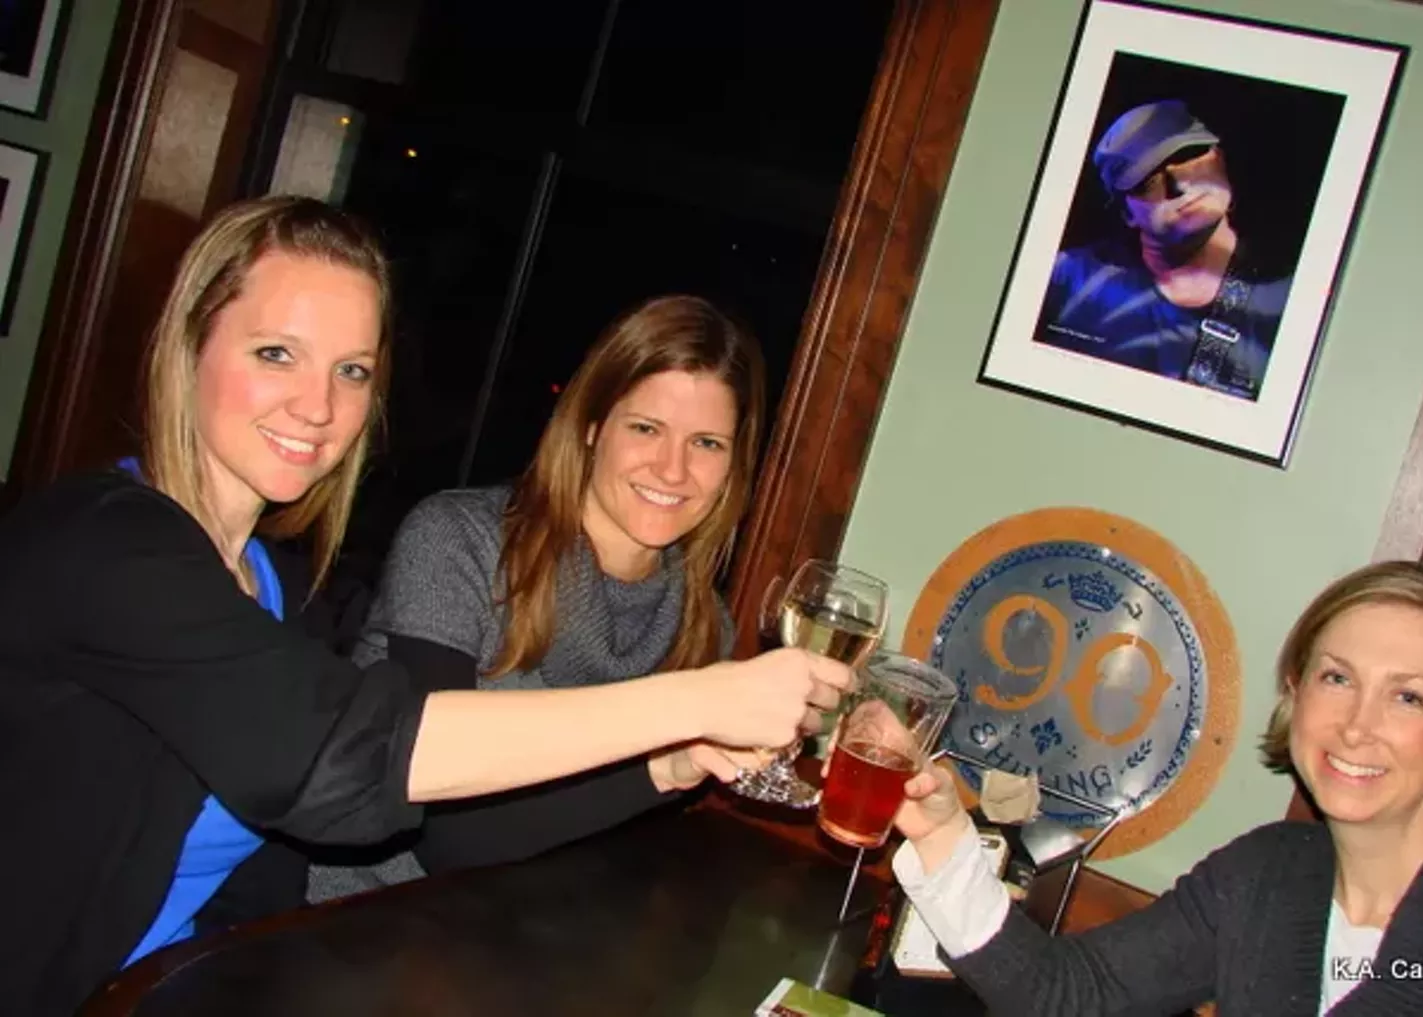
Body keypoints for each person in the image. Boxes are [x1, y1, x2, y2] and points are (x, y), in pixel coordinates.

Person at [0, 197, 850, 1017]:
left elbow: (273, 860)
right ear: (188, 347)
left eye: (352, 371)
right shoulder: (101, 545)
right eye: (276, 353)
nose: (318, 406)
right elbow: (342, 765)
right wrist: (692, 705)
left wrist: (690, 749)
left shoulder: (274, 584)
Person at [886, 561, 1423, 1015]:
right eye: (1337, 678)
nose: (1357, 726)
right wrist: (941, 832)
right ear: (1296, 694)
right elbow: (1069, 994)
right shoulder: (1267, 874)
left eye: (1408, 697)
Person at [307, 294, 774, 898]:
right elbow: (444, 834)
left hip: (540, 930)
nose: (673, 469)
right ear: (592, 427)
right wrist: (663, 767)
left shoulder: (704, 624)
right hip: (364, 917)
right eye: (646, 429)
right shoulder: (459, 543)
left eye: (707, 443)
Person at [1036, 99, 1290, 401]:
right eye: (1148, 182)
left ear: (1220, 158)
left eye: (1189, 157)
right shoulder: (1065, 278)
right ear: (1127, 213)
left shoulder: (1290, 296)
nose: (1179, 184)